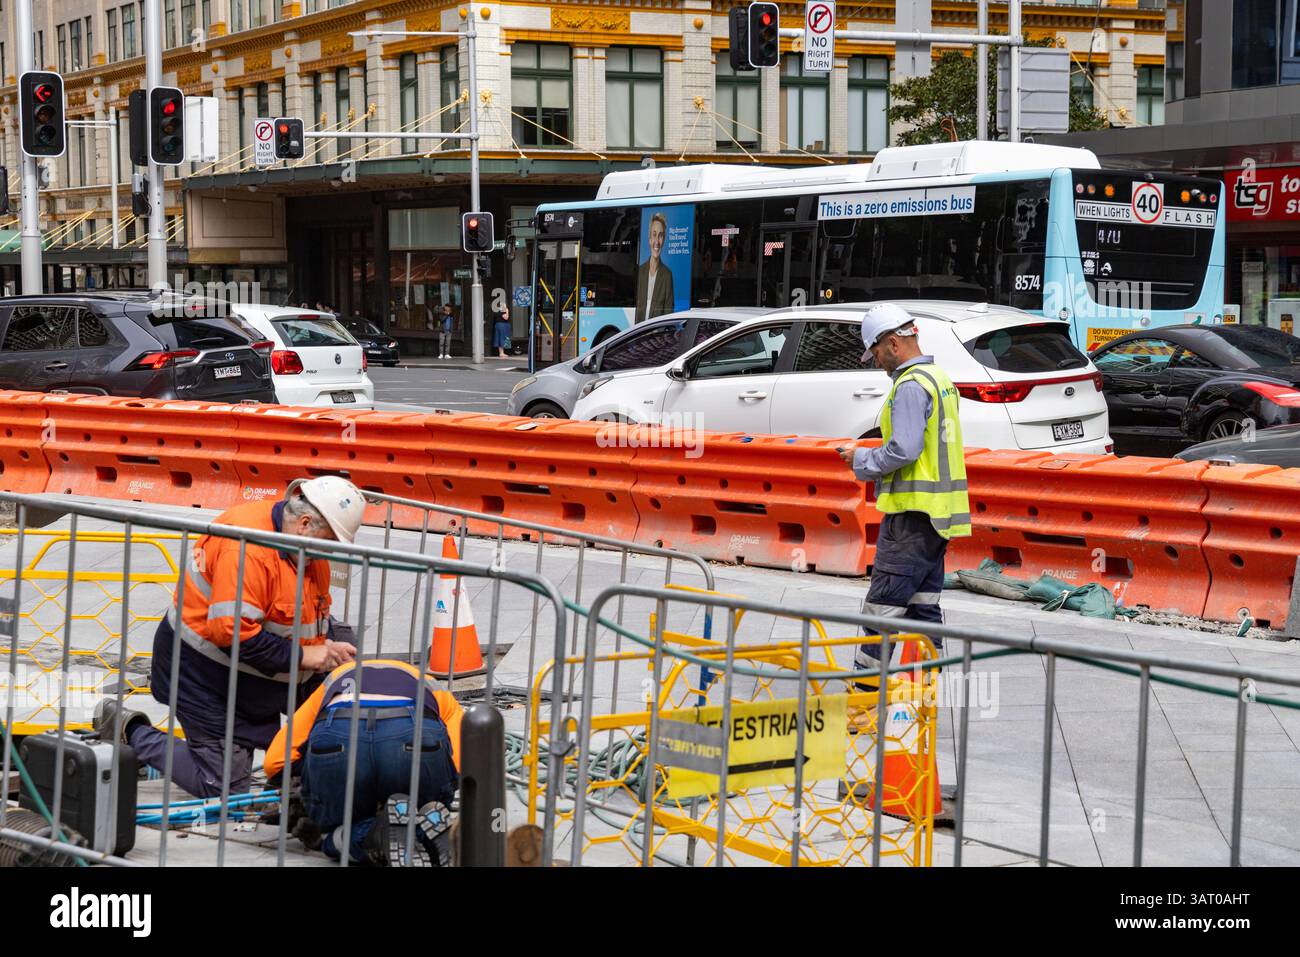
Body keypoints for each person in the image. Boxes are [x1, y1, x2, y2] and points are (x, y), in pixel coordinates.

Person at [93, 476, 367, 799]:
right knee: (223, 784)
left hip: (250, 674)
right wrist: (308, 656)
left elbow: (303, 619)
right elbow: (232, 633)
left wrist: (326, 646)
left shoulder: (306, 554)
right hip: (200, 676)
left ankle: (306, 761)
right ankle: (130, 730)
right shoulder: (248, 547)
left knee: (343, 671)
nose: (331, 551)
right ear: (305, 524)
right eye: (330, 540)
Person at [837, 303, 971, 678]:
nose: (876, 361)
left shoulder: (911, 386)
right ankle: (923, 701)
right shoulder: (939, 379)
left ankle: (863, 700)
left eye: (876, 352)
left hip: (911, 519)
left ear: (893, 343)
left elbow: (905, 450)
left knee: (881, 609)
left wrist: (860, 462)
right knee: (923, 609)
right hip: (937, 519)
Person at [264, 659, 464, 866]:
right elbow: (463, 759)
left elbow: (275, 762)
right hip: (414, 740)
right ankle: (425, 826)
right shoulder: (431, 684)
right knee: (425, 799)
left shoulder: (331, 683)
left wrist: (311, 779)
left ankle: (367, 836)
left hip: (340, 739)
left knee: (329, 834)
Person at [634, 212, 675, 323]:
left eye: (660, 235)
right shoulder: (640, 272)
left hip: (656, 336)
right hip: (638, 333)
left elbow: (668, 315)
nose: (657, 241)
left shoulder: (667, 275)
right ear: (649, 238)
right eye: (654, 234)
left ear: (664, 239)